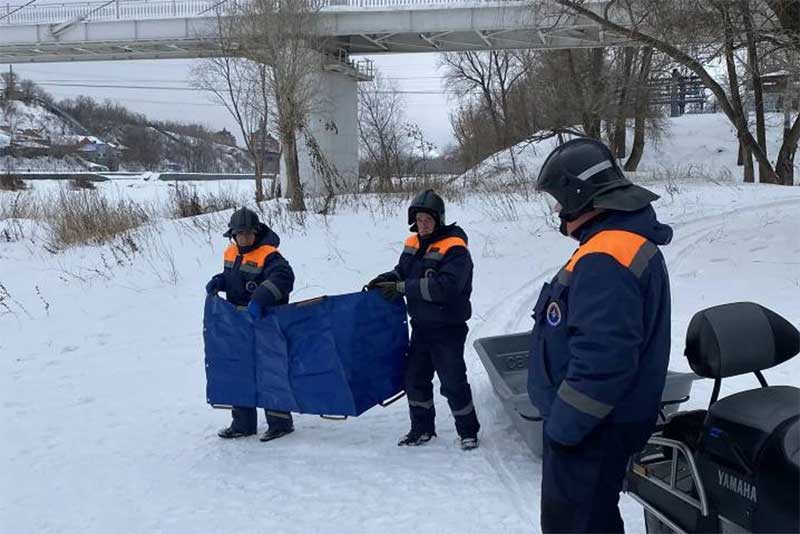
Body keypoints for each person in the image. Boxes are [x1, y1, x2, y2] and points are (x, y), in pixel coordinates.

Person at [528, 138, 672, 533]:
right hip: (602, 426)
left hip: (590, 432)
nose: (558, 210)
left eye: (559, 199)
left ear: (581, 195)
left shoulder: (607, 255)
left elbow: (603, 362)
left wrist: (564, 429)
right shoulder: (619, 243)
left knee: (578, 525)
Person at [367, 190, 481, 451]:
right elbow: (402, 272)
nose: (423, 224)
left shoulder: (455, 248)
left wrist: (403, 287)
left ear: (439, 219)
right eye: (419, 219)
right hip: (421, 327)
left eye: (428, 219)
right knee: (415, 379)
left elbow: (446, 288)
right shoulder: (413, 243)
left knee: (453, 381)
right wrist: (386, 279)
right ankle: (421, 429)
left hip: (447, 328)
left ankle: (468, 431)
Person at [206, 207, 296, 442]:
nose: (245, 238)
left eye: (248, 233)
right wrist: (220, 281)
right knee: (239, 369)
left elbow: (284, 278)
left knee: (269, 372)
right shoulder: (231, 252)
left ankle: (280, 423)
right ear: (233, 235)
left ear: (256, 233)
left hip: (265, 322)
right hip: (238, 324)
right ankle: (243, 423)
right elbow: (235, 279)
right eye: (240, 234)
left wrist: (261, 297)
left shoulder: (270, 254)